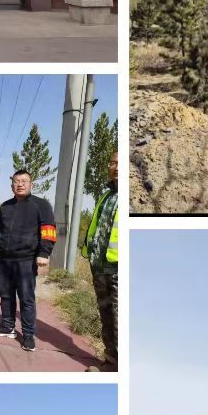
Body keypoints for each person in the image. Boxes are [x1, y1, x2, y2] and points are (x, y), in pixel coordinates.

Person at [0, 169, 56, 352]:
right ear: (12, 186)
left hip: (26, 260)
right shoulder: (5, 206)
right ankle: (8, 326)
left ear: (31, 184)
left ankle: (28, 335)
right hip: (4, 260)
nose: (20, 184)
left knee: (26, 299)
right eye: (16, 181)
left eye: (24, 181)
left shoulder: (41, 205)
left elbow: (48, 229)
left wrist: (44, 252)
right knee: (6, 294)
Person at [83, 151, 118, 371]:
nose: (115, 167)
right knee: (106, 313)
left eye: (120, 163)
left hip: (118, 267)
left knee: (120, 317)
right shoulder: (106, 195)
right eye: (113, 162)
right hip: (100, 265)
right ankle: (111, 362)